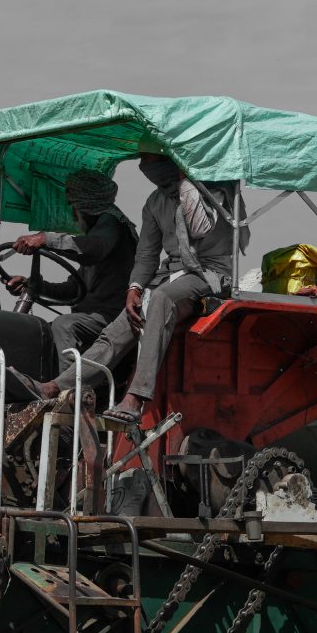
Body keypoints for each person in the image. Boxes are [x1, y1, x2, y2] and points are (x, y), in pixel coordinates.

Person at [97, 153, 237, 429]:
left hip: (208, 273)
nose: (147, 169)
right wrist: (135, 287)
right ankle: (60, 386)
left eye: (155, 162)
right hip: (171, 272)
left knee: (162, 297)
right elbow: (147, 253)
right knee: (122, 325)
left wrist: (188, 182)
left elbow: (200, 228)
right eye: (144, 164)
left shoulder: (215, 190)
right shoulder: (155, 202)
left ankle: (136, 397)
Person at [3, 168, 137, 389]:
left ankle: (68, 396)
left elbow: (93, 249)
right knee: (41, 331)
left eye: (72, 205)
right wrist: (32, 285)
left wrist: (46, 239)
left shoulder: (111, 224)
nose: (73, 214)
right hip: (92, 318)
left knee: (65, 325)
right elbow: (74, 289)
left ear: (85, 205)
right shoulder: (97, 236)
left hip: (113, 318)